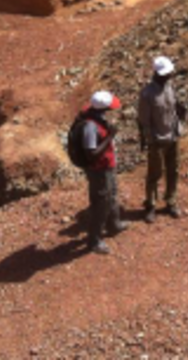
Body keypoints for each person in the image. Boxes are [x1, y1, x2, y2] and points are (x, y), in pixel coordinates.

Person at [81, 90, 128, 254]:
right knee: (100, 204)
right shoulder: (90, 127)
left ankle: (114, 224)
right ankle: (94, 240)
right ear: (103, 109)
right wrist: (110, 137)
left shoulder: (96, 116)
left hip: (107, 166)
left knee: (112, 194)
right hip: (98, 171)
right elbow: (91, 153)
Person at [138, 56, 184, 223]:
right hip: (157, 140)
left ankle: (171, 201)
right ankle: (150, 205)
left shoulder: (170, 87)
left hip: (173, 136)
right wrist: (149, 140)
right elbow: (144, 121)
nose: (169, 76)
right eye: (166, 74)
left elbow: (174, 109)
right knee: (154, 174)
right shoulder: (147, 94)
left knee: (173, 171)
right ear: (157, 74)